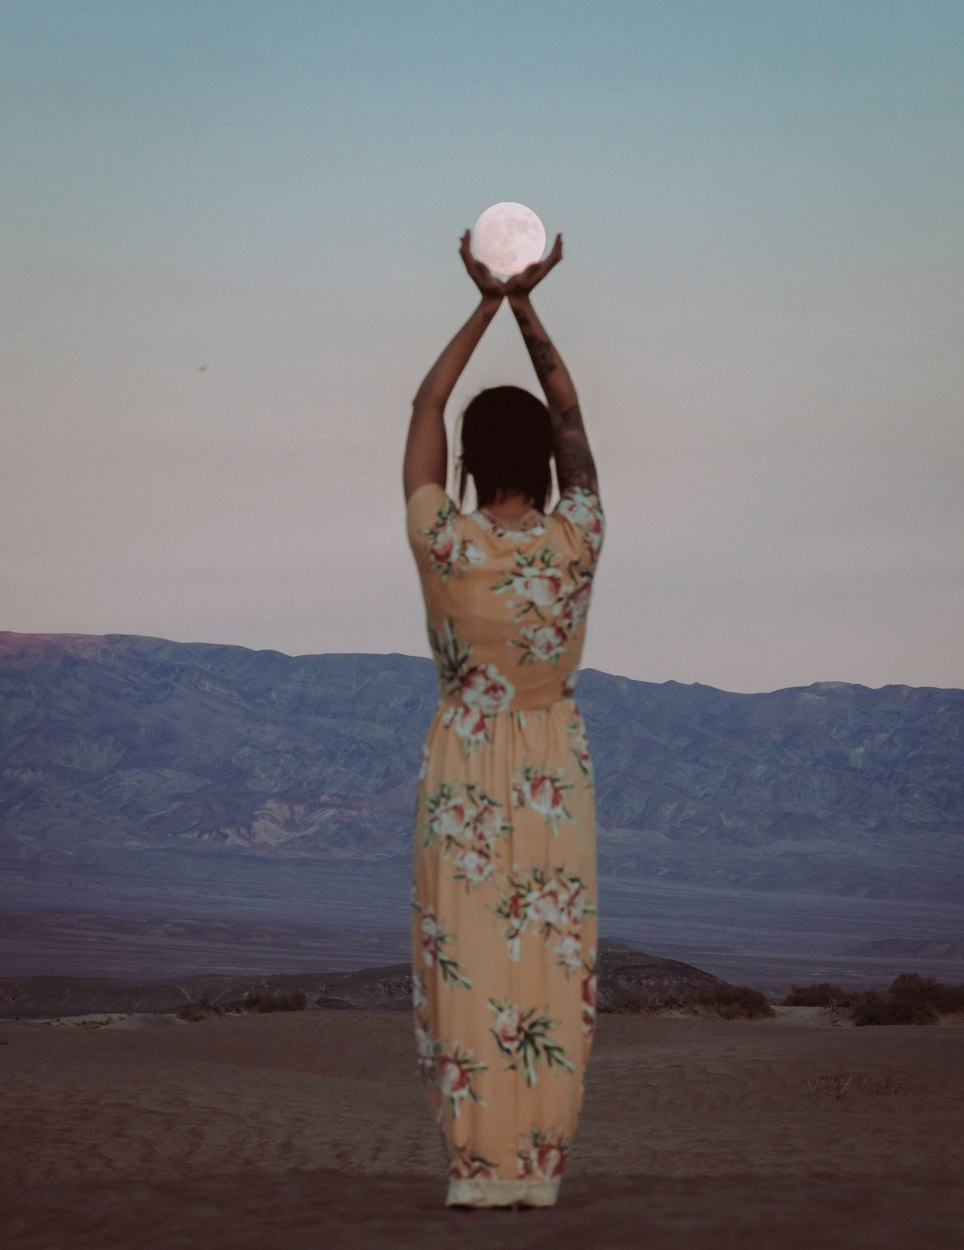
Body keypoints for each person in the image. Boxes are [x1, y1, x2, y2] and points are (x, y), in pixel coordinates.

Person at [403, 228, 605, 1210]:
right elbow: (570, 410)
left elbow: (424, 405)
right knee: (550, 969)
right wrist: (529, 307)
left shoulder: (445, 542)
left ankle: (479, 1166)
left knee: (469, 958)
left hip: (462, 761)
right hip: (552, 764)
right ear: (550, 465)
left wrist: (482, 302)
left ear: (473, 462)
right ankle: (541, 1165)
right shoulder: (578, 538)